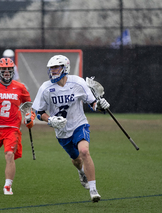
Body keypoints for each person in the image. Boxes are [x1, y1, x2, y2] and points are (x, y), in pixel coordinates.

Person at [32, 55, 110, 202]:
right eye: (51, 68)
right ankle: (81, 172)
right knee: (76, 160)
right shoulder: (45, 88)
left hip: (79, 124)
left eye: (56, 67)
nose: (53, 71)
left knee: (84, 151)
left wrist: (100, 106)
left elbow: (93, 103)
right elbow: (38, 112)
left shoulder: (78, 83)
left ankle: (93, 190)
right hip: (62, 132)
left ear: (65, 68)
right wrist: (50, 120)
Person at [0, 57, 35, 195]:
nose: (7, 72)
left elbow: (28, 108)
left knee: (9, 154)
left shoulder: (20, 87)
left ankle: (7, 186)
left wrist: (29, 118)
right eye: (4, 70)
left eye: (9, 70)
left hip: (12, 129)